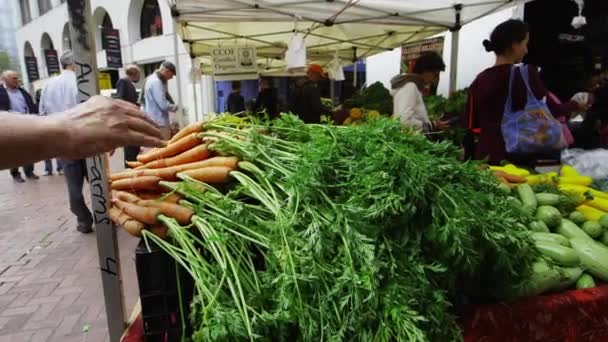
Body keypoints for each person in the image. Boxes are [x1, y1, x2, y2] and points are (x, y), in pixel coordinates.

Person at [466, 19, 588, 165]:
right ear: (513, 45)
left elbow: (471, 122)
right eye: (524, 43)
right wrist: (576, 104)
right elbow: (551, 111)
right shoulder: (525, 75)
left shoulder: (480, 79)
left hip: (486, 156)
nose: (526, 50)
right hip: (517, 157)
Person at [0, 95, 163, 170]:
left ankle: (83, 218)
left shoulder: (48, 87)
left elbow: (41, 108)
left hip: (85, 136)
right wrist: (64, 130)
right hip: (83, 136)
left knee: (76, 180)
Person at [40, 50, 92, 233]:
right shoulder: (82, 82)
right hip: (86, 141)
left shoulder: (48, 85)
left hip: (63, 142)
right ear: (75, 64)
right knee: (98, 182)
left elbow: (43, 114)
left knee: (73, 186)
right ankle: (107, 217)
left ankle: (84, 220)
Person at [391, 52, 449, 132]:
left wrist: (429, 121)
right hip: (411, 140)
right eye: (435, 74)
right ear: (426, 70)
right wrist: (432, 125)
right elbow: (404, 121)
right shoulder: (410, 87)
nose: (435, 79)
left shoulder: (411, 86)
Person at [0, 70, 39, 182]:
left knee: (29, 148)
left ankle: (29, 171)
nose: (17, 80)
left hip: (26, 122)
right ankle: (15, 173)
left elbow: (30, 104)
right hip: (11, 124)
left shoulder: (22, 91)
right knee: (13, 150)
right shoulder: (1, 92)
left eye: (17, 78)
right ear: (5, 80)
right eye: (14, 78)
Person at [142, 61, 178, 140]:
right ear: (166, 71)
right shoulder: (156, 82)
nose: (171, 78)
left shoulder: (151, 79)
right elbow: (163, 105)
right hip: (159, 123)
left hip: (153, 121)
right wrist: (175, 107)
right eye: (171, 75)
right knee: (163, 148)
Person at [116, 64, 141, 166]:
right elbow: (120, 100)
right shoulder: (123, 82)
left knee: (134, 146)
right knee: (130, 147)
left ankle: (133, 164)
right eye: (138, 74)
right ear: (134, 73)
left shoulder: (130, 83)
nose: (139, 77)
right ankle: (130, 166)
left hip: (132, 119)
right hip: (128, 120)